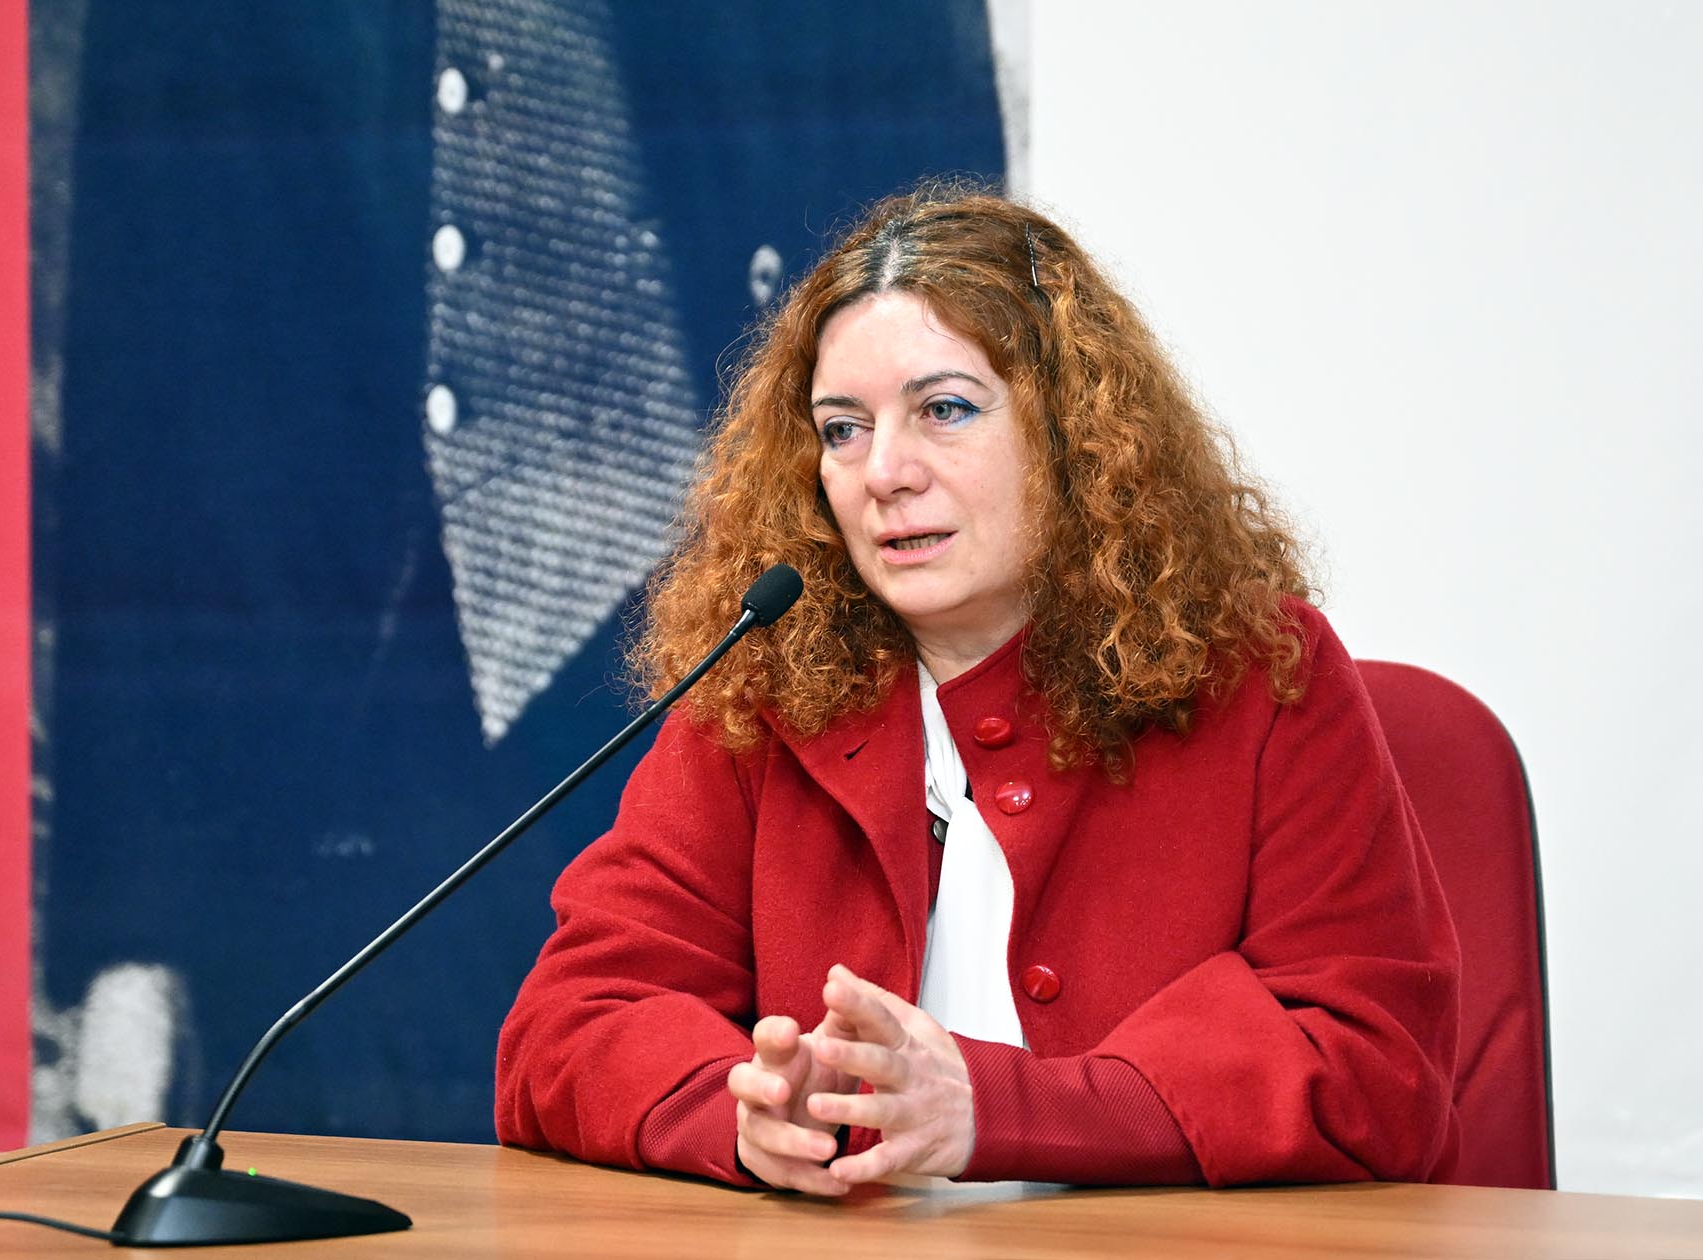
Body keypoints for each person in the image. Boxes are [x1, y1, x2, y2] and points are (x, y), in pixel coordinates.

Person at [494, 183, 1461, 1192]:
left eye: (944, 410)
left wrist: (999, 1110)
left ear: (1073, 431)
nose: (885, 472)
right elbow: (568, 1025)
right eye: (842, 429)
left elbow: (1375, 1068)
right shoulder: (764, 692)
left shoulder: (1263, 675)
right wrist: (741, 1115)